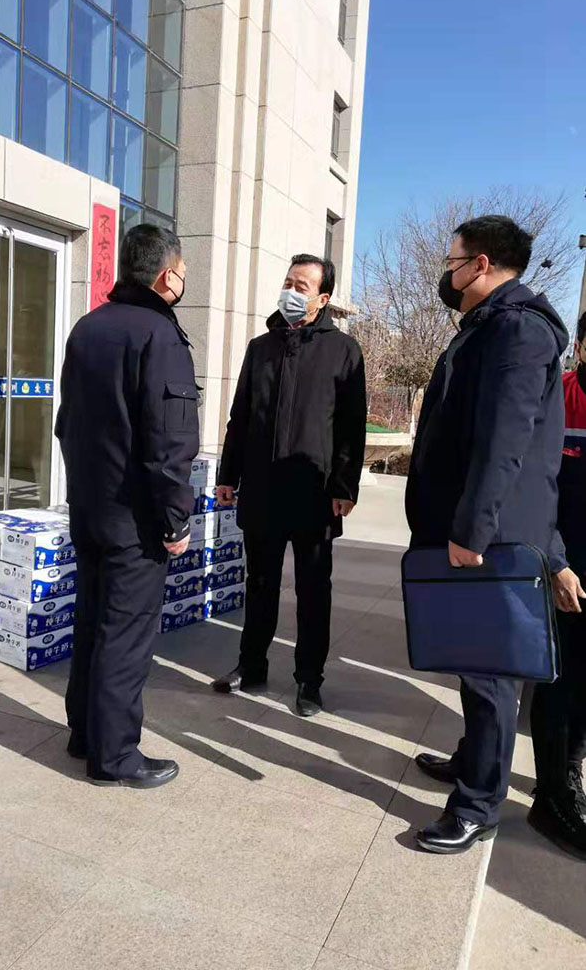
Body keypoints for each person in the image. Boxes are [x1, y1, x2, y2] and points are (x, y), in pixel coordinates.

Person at [407, 214, 584, 854]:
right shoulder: (491, 326)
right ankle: (471, 760)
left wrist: (474, 529)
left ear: (480, 264)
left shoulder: (519, 330)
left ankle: (478, 804)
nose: (447, 272)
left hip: (491, 535)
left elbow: (506, 442)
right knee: (472, 658)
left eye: (452, 260)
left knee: (491, 676)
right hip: (475, 527)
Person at [54, 224, 198, 789]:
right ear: (165, 276)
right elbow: (169, 443)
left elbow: (67, 424)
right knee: (126, 634)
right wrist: (175, 519)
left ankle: (85, 734)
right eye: (181, 273)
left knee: (92, 622)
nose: (181, 282)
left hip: (89, 508)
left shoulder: (88, 328)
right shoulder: (160, 335)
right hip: (134, 520)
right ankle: (114, 757)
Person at [211, 253, 366, 715]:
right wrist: (228, 475)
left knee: (313, 591)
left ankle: (309, 681)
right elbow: (240, 417)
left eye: (302, 287)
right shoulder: (261, 348)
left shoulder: (343, 351)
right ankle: (251, 666)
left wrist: (344, 486)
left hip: (314, 493)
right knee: (259, 583)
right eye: (288, 282)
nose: (291, 292)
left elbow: (351, 427)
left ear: (323, 298)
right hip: (262, 487)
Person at [528, 312, 586, 859]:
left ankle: (570, 771)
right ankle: (550, 797)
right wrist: (556, 562)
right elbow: (536, 488)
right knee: (557, 680)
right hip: (565, 571)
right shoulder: (559, 399)